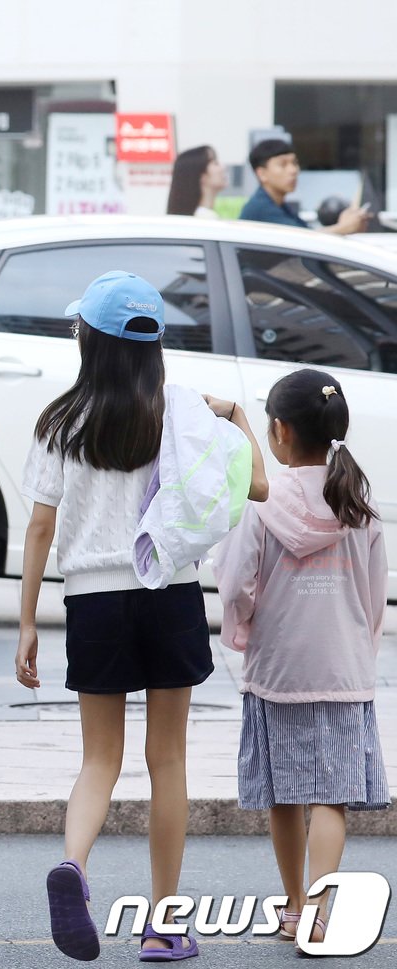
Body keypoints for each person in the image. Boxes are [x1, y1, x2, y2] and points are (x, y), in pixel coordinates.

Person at [14, 271, 267, 962]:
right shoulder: (181, 408)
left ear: (89, 341)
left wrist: (29, 619)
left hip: (91, 597)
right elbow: (259, 485)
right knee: (169, 758)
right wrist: (235, 414)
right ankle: (163, 922)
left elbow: (39, 528)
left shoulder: (60, 419)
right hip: (170, 592)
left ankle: (75, 865)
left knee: (99, 757)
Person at [215, 369, 388, 954]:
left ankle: (292, 906)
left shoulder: (261, 503)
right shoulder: (357, 503)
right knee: (330, 797)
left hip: (278, 671)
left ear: (279, 432)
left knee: (285, 795)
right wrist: (358, 650)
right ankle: (319, 911)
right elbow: (372, 595)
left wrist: (240, 627)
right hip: (342, 672)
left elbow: (237, 581)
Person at [239, 139, 371, 234]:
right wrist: (342, 228)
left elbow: (306, 233)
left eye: (294, 163)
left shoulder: (282, 206)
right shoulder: (261, 208)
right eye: (283, 164)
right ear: (262, 174)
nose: (293, 170)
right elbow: (304, 241)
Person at [165, 145, 227, 218]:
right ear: (201, 175)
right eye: (215, 163)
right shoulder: (205, 219)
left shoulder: (201, 217)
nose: (223, 167)